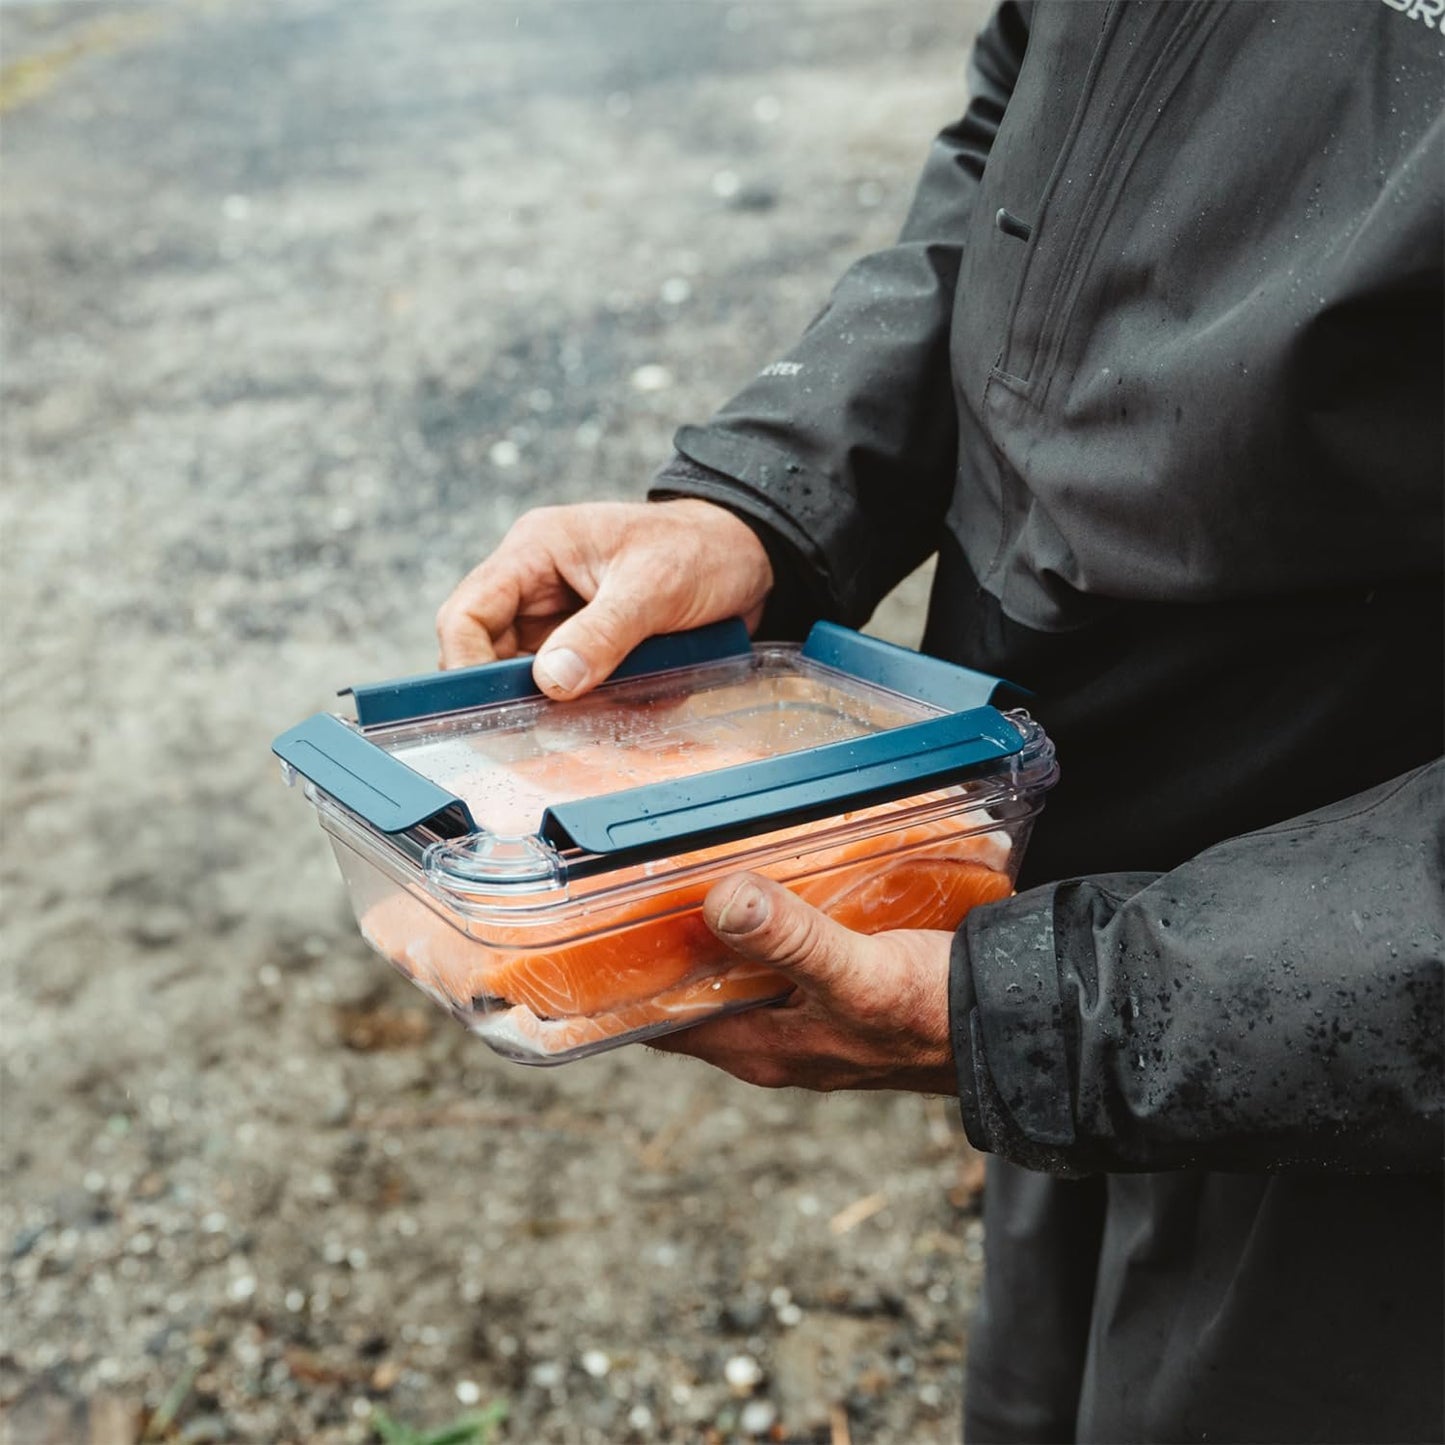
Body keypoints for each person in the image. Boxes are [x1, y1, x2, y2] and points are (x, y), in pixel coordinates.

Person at [437, 2, 1444, 1439]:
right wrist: (768, 502)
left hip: (1339, 1013)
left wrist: (1072, 1015)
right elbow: (1020, 134)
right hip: (1037, 884)